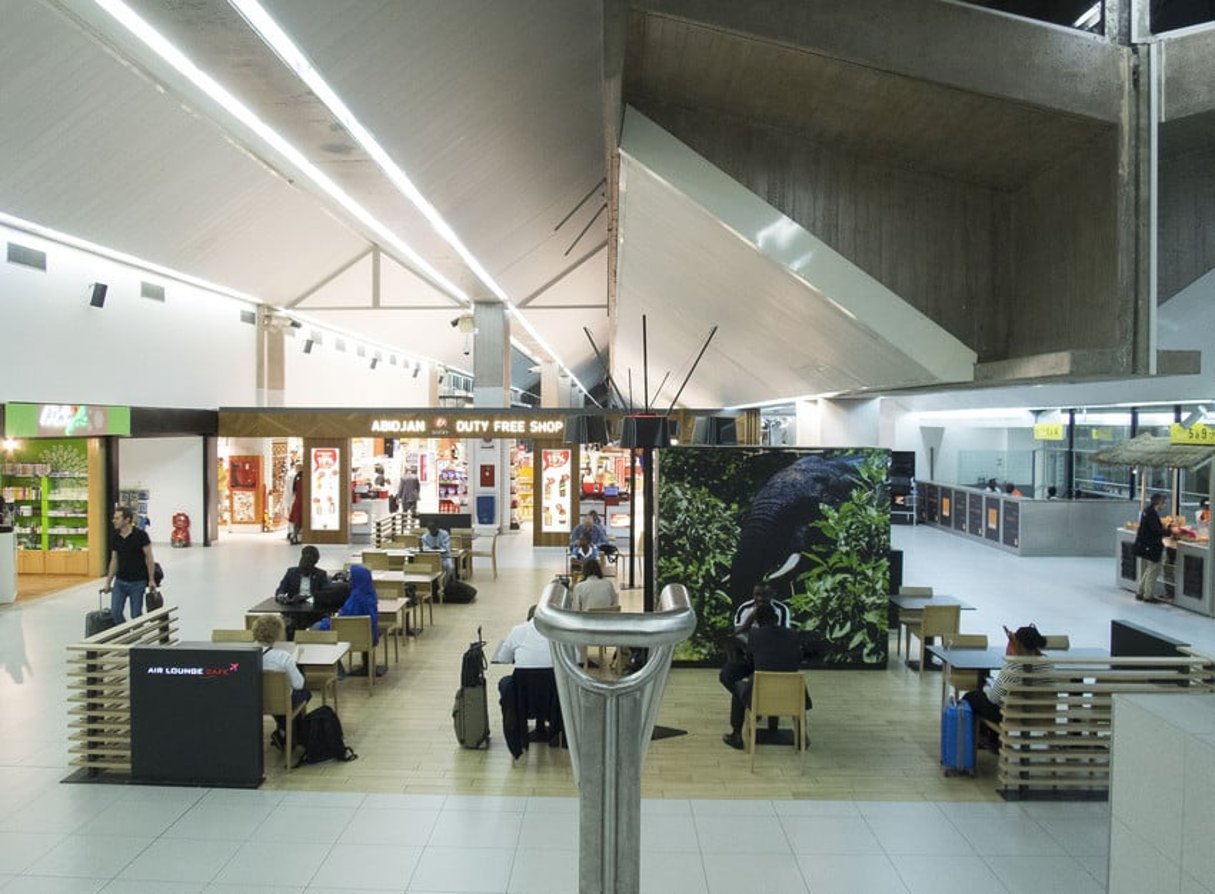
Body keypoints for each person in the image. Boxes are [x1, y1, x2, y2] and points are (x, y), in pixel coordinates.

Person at [722, 603, 803, 750]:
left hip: (762, 696)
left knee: (738, 686)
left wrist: (748, 623)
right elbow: (797, 659)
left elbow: (752, 662)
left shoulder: (755, 634)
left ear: (756, 620)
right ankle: (801, 735)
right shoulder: (793, 634)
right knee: (777, 676)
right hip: (792, 696)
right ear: (777, 617)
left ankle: (736, 735)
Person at [493, 605, 562, 755]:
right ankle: (556, 729)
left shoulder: (518, 631)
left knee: (505, 683)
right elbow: (575, 658)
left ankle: (517, 728)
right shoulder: (558, 633)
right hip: (552, 699)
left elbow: (503, 657)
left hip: (523, 699)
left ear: (528, 618)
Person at [963, 624, 1047, 744]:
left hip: (1013, 715)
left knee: (972, 697)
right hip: (1040, 714)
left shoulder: (1012, 667)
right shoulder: (1047, 666)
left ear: (1017, 644)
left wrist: (986, 688)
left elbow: (993, 698)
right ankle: (992, 740)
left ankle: (981, 740)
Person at [719, 584, 792, 700]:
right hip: (749, 651)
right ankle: (748, 699)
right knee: (727, 671)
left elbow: (783, 636)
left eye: (765, 595)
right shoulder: (745, 608)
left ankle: (754, 700)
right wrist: (751, 619)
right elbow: (738, 633)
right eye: (757, 595)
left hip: (772, 653)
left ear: (773, 595)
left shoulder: (781, 609)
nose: (760, 599)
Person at [251, 613, 311, 752]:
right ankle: (289, 733)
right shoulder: (283, 657)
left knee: (277, 698)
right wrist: (294, 664)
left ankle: (283, 731)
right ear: (277, 633)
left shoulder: (248, 655)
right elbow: (298, 684)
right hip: (282, 702)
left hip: (256, 701)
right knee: (304, 692)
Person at [101, 505, 159, 623]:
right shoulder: (116, 537)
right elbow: (114, 560)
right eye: (114, 518)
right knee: (115, 613)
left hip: (137, 583)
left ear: (127, 520)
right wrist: (108, 582)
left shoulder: (141, 535)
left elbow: (149, 558)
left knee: (136, 615)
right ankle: (126, 636)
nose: (114, 521)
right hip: (120, 582)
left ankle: (136, 639)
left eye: (117, 518)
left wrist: (151, 579)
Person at [1134, 492, 1172, 602]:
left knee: (1149, 569)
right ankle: (1148, 595)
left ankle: (1141, 592)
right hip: (1152, 546)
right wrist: (1169, 531)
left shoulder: (1147, 511)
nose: (1164, 506)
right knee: (1153, 570)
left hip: (1146, 545)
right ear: (1159, 503)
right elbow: (1156, 531)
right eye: (1163, 503)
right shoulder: (1152, 514)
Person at [287, 464, 303, 545]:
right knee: (299, 521)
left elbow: (292, 491)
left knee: (297, 521)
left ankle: (294, 536)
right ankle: (295, 536)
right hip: (302, 503)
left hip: (297, 502)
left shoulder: (296, 479)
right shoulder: (304, 479)